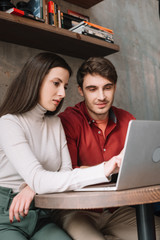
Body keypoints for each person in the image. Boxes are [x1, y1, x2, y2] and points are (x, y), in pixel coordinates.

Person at [0, 52, 122, 240]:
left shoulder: (55, 124)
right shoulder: (8, 123)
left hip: (42, 212)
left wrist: (32, 187)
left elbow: (65, 173)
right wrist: (103, 169)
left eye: (64, 86)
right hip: (6, 214)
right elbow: (39, 178)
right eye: (56, 84)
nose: (63, 94)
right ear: (35, 80)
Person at [57, 57, 160, 240]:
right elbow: (67, 173)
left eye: (107, 87)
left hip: (115, 211)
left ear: (115, 87)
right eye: (92, 89)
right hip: (78, 211)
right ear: (81, 90)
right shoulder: (68, 121)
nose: (101, 97)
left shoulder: (128, 119)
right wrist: (111, 167)